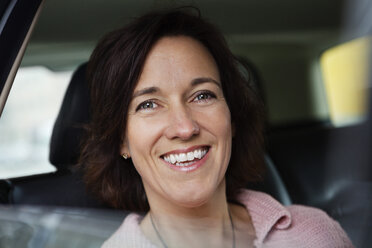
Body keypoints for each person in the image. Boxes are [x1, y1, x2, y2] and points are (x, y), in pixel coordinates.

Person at [79, 8, 354, 248]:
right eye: (149, 104)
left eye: (202, 96)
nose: (185, 128)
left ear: (232, 119)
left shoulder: (317, 235)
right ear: (121, 140)